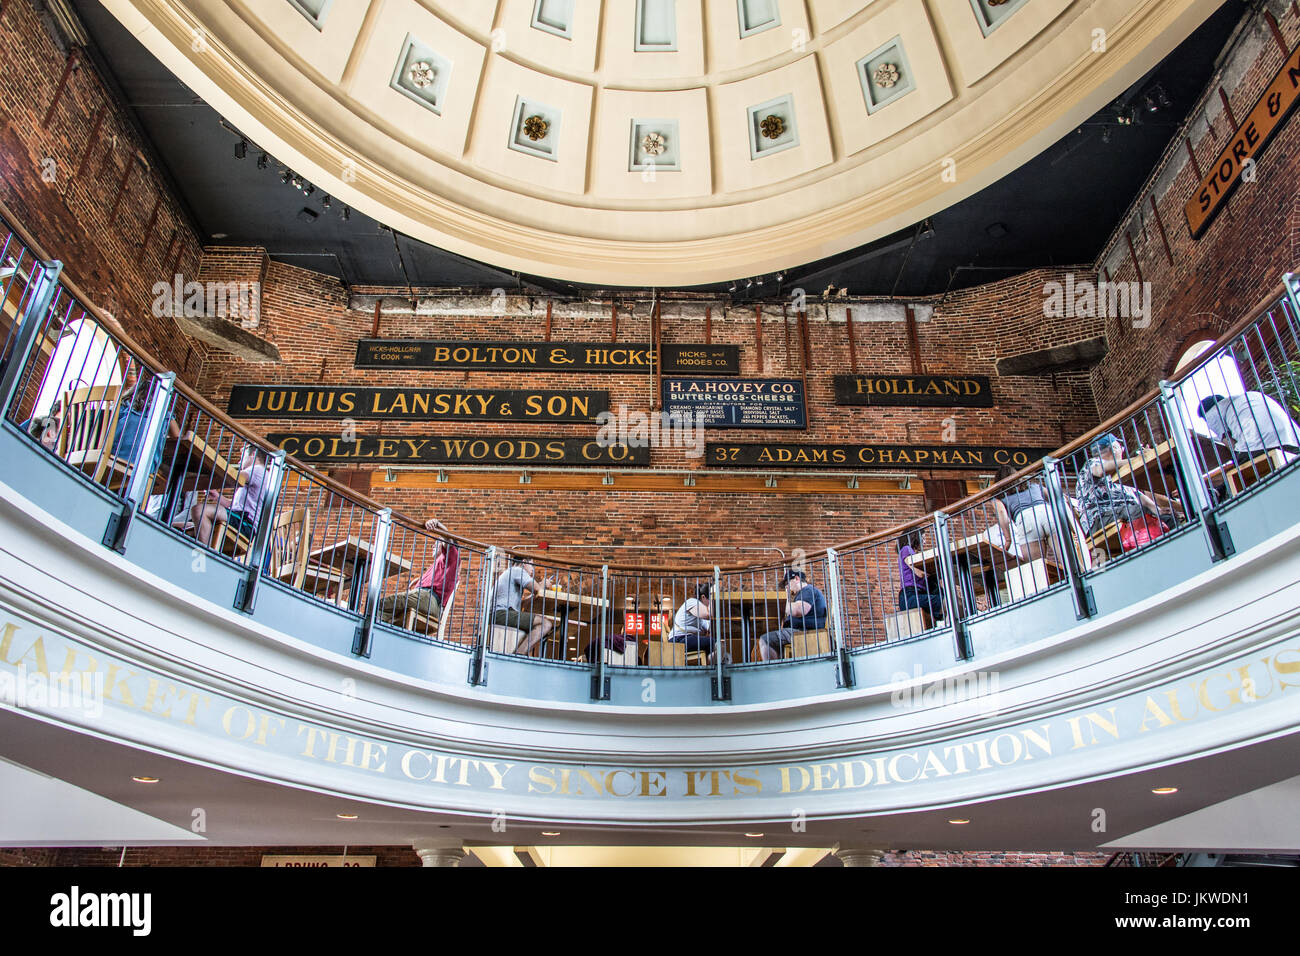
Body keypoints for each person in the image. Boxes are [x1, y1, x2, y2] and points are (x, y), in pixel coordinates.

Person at [1075, 433, 1182, 537]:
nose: (1122, 450)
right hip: (1100, 519)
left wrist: (1158, 510)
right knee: (1141, 511)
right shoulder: (1093, 463)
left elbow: (1140, 497)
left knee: (1167, 517)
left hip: (1127, 513)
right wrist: (1138, 460)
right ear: (1114, 448)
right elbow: (1100, 471)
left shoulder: (1121, 475)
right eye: (1121, 447)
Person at [379, 517, 459, 627]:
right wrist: (420, 581)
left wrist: (437, 523)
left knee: (381, 604)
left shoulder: (451, 558)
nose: (433, 545)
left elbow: (449, 540)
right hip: (428, 599)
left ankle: (370, 631)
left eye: (438, 542)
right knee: (392, 616)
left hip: (429, 599)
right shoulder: (441, 566)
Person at [188, 444, 269, 548]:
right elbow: (234, 505)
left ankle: (205, 556)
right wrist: (217, 497)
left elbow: (236, 477)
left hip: (245, 523)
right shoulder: (258, 474)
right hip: (239, 518)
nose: (239, 462)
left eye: (242, 457)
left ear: (253, 455)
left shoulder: (257, 469)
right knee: (183, 526)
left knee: (199, 510)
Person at [112, 366, 181, 476]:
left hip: (114, 457)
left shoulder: (122, 407)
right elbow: (177, 437)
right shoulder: (163, 415)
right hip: (144, 468)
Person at [1198, 392, 1300, 462]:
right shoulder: (1247, 397)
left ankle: (1217, 493)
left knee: (1240, 468)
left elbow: (1229, 443)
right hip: (1292, 439)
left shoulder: (1212, 414)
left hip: (1260, 444)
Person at [991, 464, 1060, 565]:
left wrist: (1008, 539)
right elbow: (1054, 496)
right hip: (1047, 512)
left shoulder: (999, 497)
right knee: (1066, 556)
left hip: (1025, 519)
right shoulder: (1034, 486)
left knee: (1036, 567)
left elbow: (1001, 513)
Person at [757, 569, 827, 662]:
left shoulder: (808, 590)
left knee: (765, 640)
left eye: (787, 583)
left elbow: (799, 610)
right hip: (801, 630)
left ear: (797, 578)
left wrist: (779, 604)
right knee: (774, 641)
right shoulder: (804, 593)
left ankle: (773, 671)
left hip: (804, 631)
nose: (787, 587)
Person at [491, 557, 553, 656]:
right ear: (524, 562)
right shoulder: (518, 571)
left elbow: (523, 604)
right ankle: (519, 655)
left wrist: (533, 595)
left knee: (538, 620)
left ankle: (521, 653)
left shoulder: (510, 572)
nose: (533, 569)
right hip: (501, 614)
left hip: (498, 613)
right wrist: (543, 584)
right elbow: (538, 590)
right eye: (532, 565)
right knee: (546, 624)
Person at [896, 529, 944, 621]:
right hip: (910, 595)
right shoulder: (906, 549)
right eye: (923, 538)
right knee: (941, 600)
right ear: (915, 537)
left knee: (941, 593)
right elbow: (919, 573)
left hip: (918, 592)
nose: (925, 542)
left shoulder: (912, 552)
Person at [667, 582, 715, 663]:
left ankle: (710, 666)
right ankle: (711, 667)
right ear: (703, 597)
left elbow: (709, 628)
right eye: (710, 598)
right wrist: (713, 596)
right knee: (712, 642)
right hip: (679, 639)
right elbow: (709, 614)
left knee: (714, 643)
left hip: (686, 639)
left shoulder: (700, 615)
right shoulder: (692, 602)